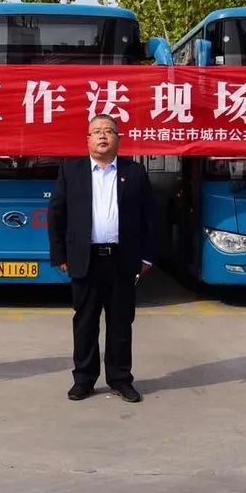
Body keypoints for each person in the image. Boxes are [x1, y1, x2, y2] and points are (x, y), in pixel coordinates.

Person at [48, 114, 156, 403]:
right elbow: (56, 215)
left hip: (122, 259)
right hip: (85, 259)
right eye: (96, 131)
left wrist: (147, 256)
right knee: (85, 322)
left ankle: (120, 379)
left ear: (118, 139)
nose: (103, 136)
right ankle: (83, 380)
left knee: (121, 323)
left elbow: (150, 217)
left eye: (109, 131)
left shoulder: (134, 172)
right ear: (87, 140)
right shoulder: (71, 172)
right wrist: (60, 254)